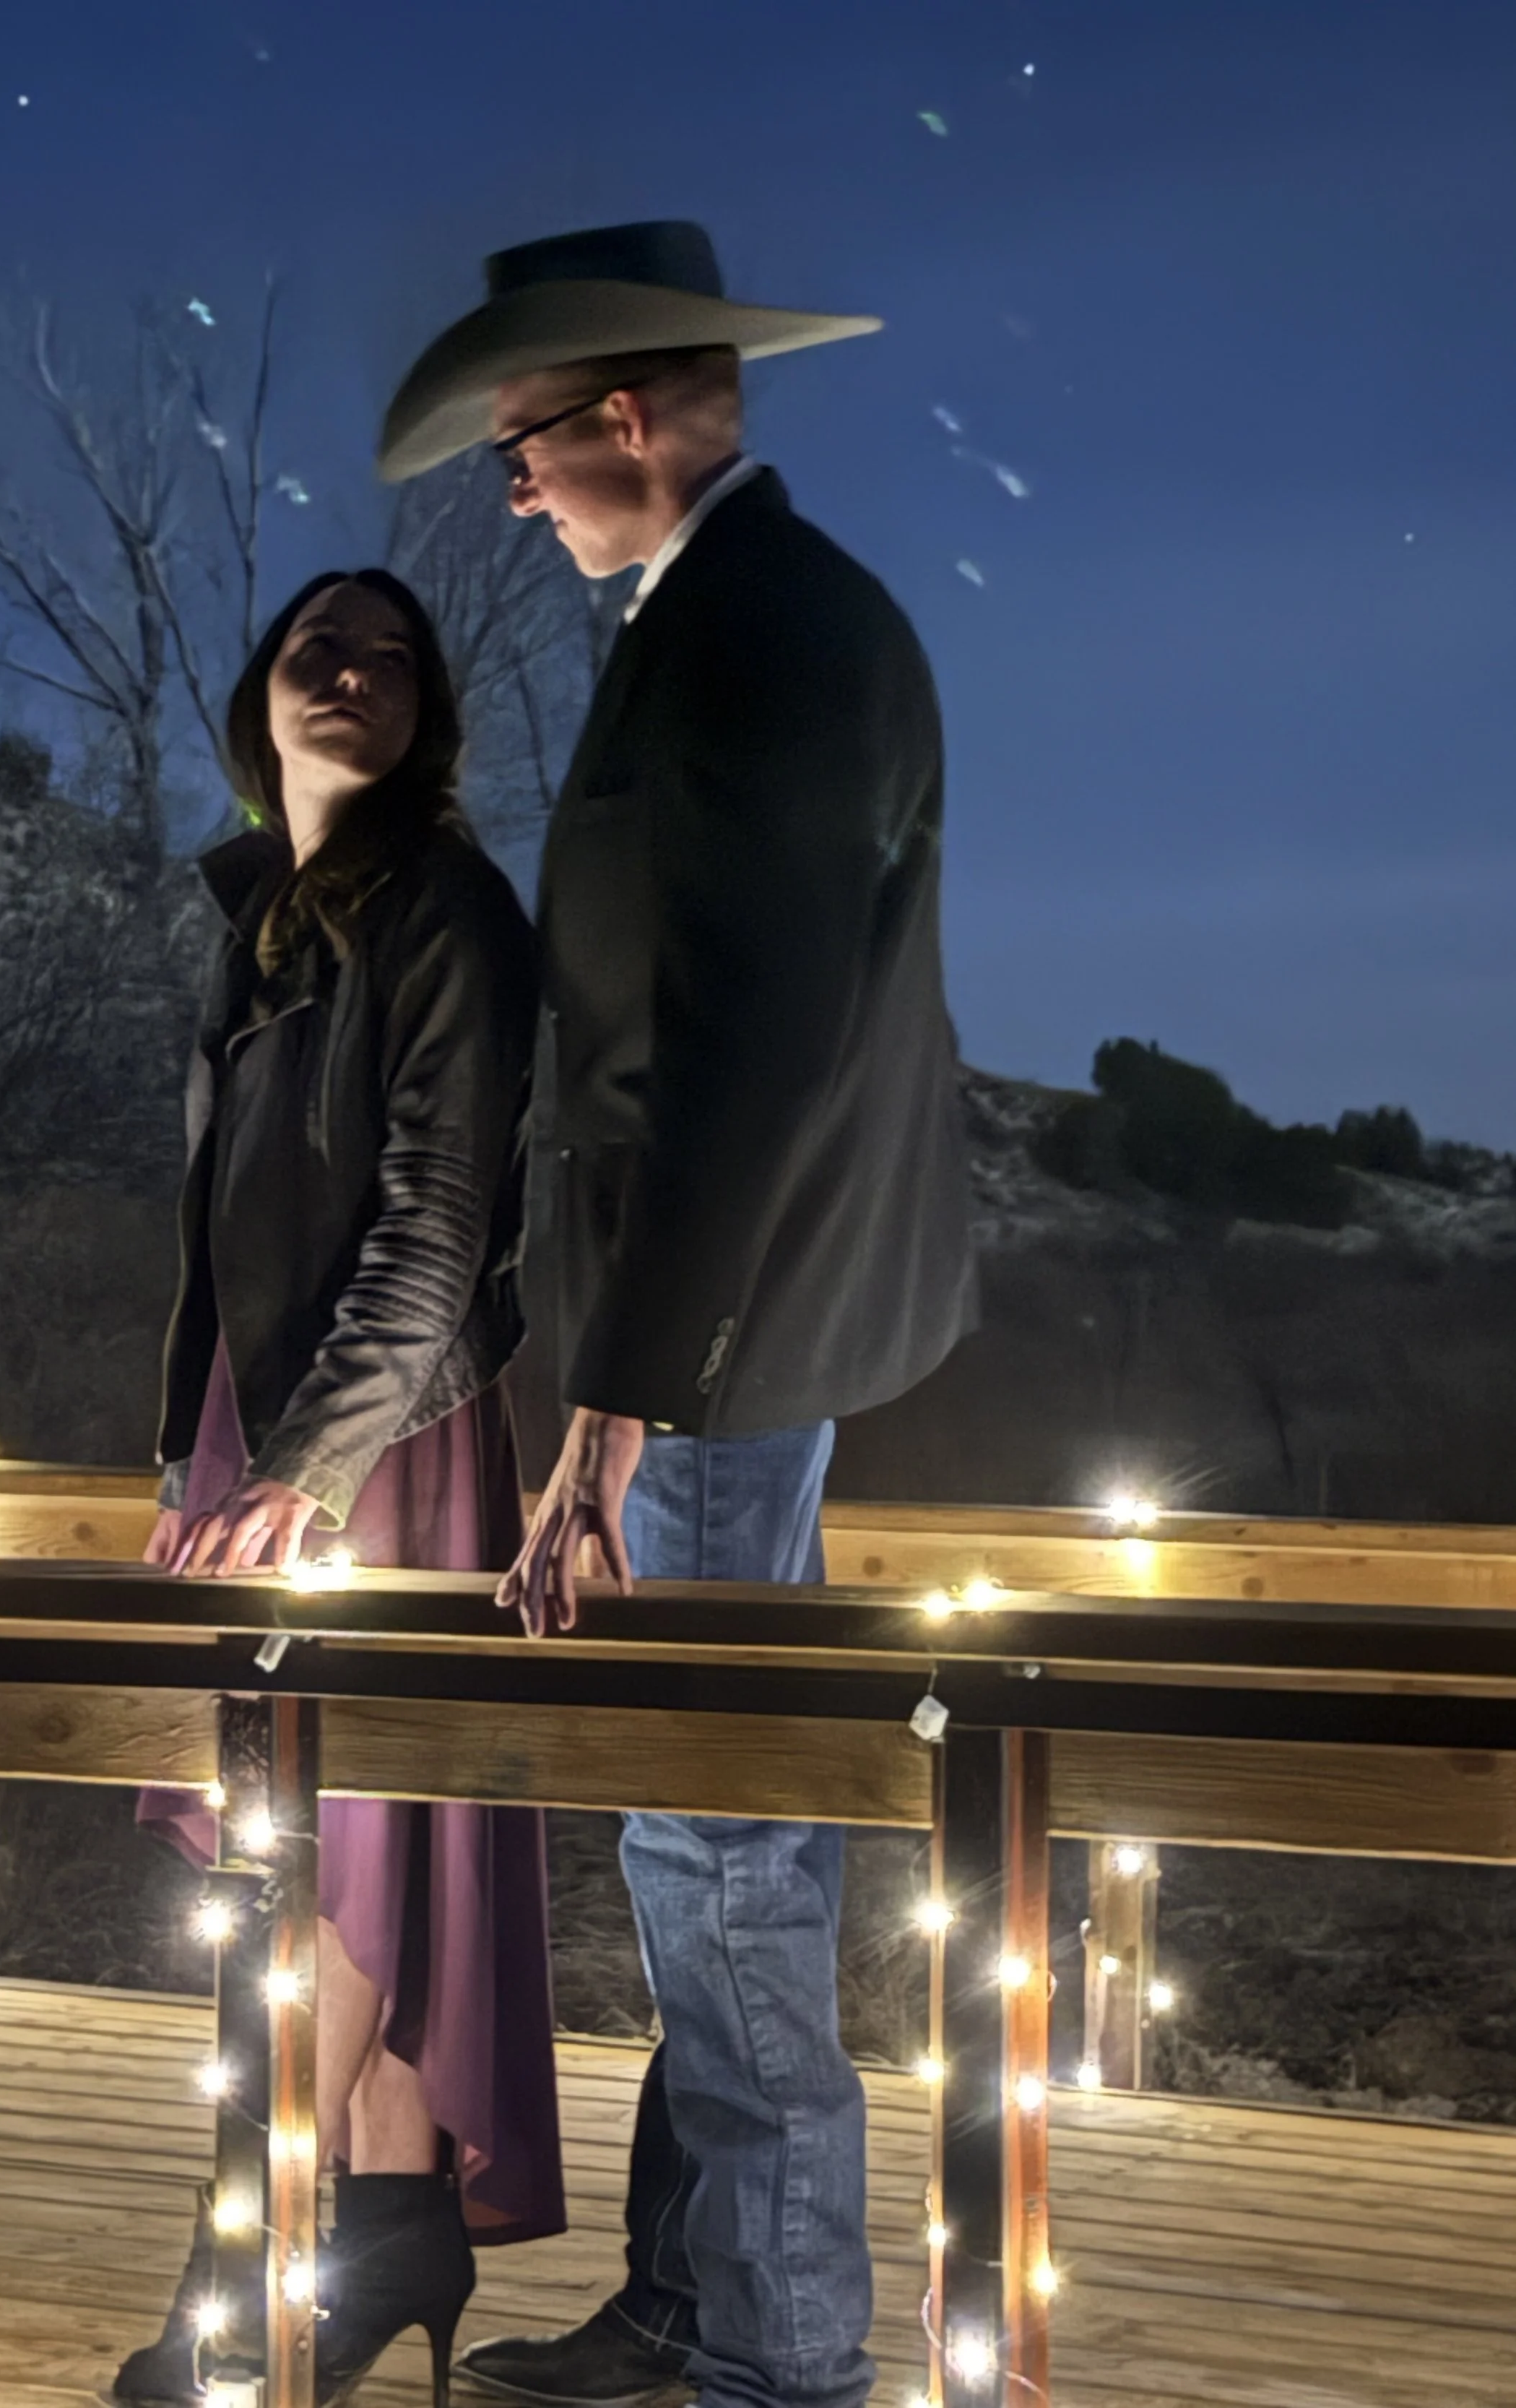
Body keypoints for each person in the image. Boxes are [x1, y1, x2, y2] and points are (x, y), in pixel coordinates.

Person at [378, 225, 977, 2408]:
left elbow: (748, 1053)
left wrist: (617, 1403)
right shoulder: (725, 613)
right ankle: (701, 2295)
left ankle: (780, 2357)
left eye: (525, 447)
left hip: (719, 1337)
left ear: (622, 415)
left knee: (718, 1836)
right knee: (697, 1809)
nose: (513, 491)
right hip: (722, 1326)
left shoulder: (767, 638)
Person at [111, 568, 563, 2408]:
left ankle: (248, 2258)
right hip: (264, 1435)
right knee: (319, 1849)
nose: (352, 670)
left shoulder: (445, 908)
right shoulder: (268, 923)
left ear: (425, 711)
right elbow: (224, 1242)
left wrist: (306, 1469)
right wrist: (188, 1452)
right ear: (261, 699)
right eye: (318, 646)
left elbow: (438, 1224)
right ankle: (384, 2225)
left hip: (377, 1436)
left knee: (328, 1856)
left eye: (388, 654)